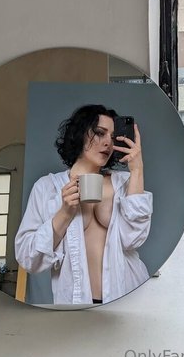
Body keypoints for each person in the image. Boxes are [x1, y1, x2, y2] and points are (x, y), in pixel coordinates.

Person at [15, 104, 153, 305]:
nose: (108, 142)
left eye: (112, 136)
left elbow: (133, 240)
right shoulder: (47, 188)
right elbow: (28, 258)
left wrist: (137, 170)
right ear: (80, 134)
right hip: (76, 303)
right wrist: (64, 213)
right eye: (99, 133)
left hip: (128, 295)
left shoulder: (124, 182)